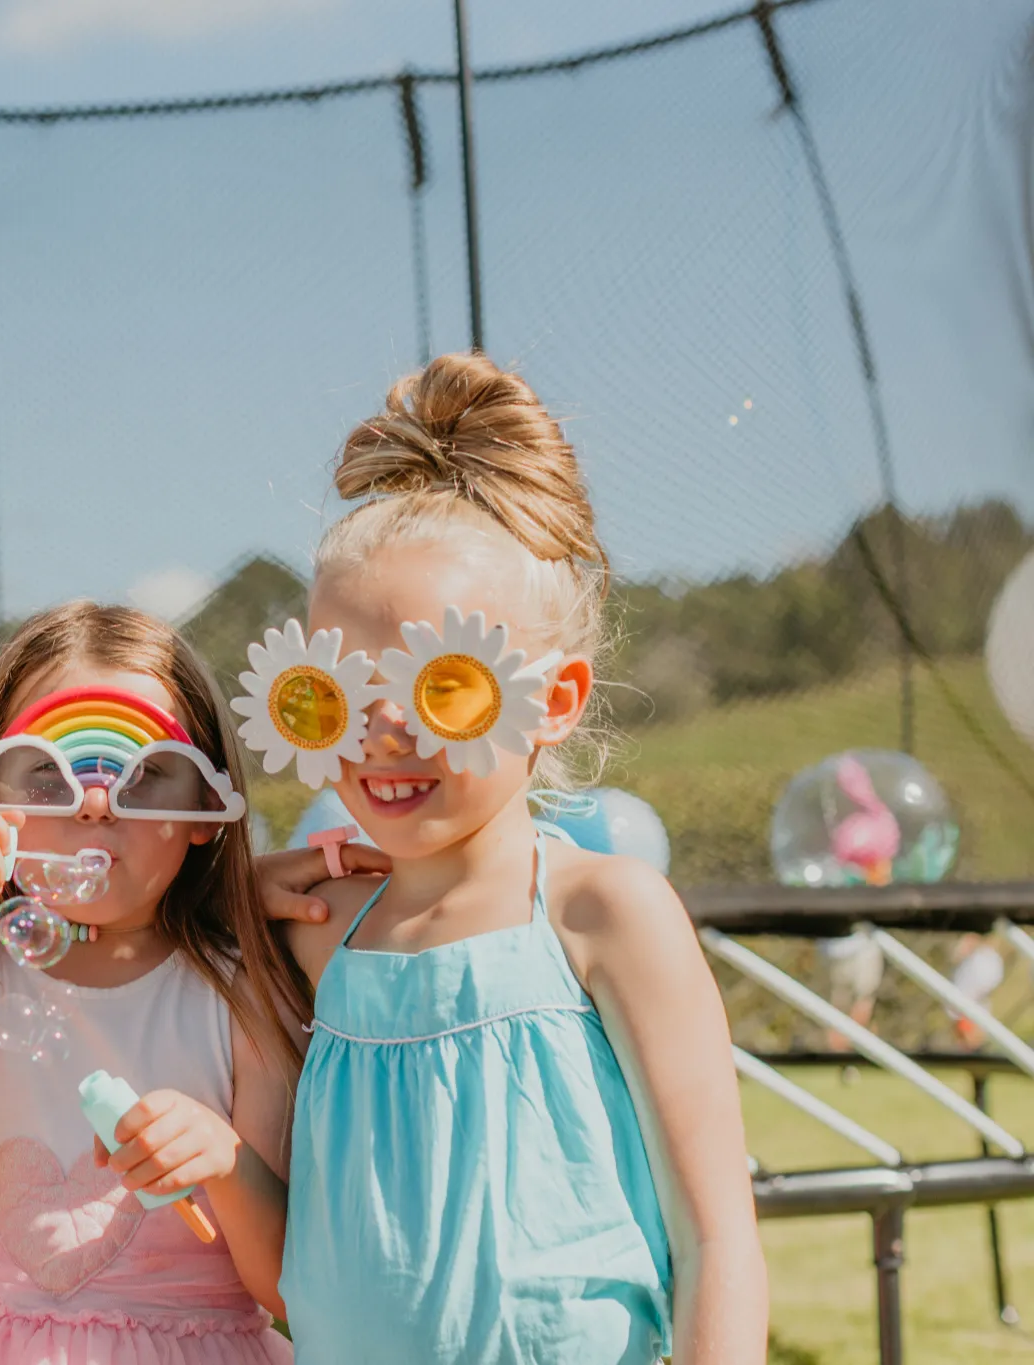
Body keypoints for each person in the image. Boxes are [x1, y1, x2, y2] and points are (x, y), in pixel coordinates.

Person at [262, 353, 766, 1364]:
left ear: (557, 699)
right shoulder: (319, 934)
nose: (380, 735)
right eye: (334, 694)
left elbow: (714, 1234)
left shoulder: (602, 915)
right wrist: (233, 887)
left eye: (437, 689)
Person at [0, 603, 309, 1363]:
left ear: (206, 809)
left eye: (146, 774)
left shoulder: (244, 991)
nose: (94, 802)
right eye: (48, 770)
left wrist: (225, 1157)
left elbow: (286, 1287)